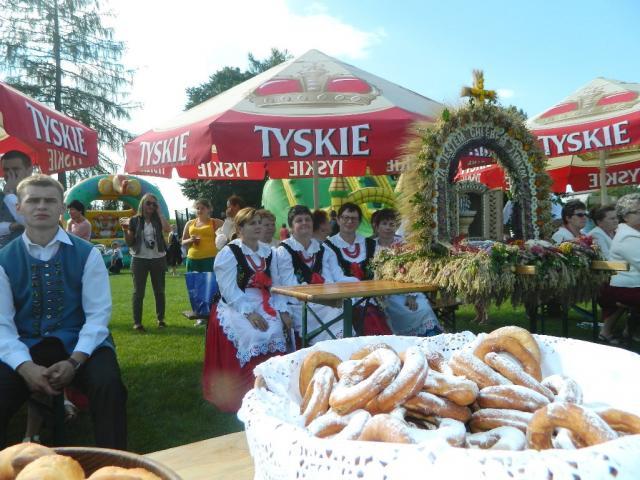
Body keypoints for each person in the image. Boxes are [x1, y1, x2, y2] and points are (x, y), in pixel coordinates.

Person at [0, 174, 127, 449]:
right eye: (33, 200)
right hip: (26, 344)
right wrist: (25, 366)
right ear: (19, 207)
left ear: (61, 208)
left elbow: (97, 317)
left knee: (108, 385)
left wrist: (74, 362)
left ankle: (115, 460)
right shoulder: (3, 260)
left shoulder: (88, 253)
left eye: (49, 201)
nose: (41, 206)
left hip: (81, 344)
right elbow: (2, 326)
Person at [202, 207, 290, 412]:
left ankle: (272, 387)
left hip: (264, 300)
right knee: (253, 334)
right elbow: (228, 289)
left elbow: (276, 285)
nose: (258, 227)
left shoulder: (269, 252)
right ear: (240, 228)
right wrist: (249, 313)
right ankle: (247, 390)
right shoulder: (229, 253)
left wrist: (283, 310)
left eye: (259, 222)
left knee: (276, 331)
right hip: (235, 302)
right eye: (252, 223)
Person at [276, 205, 358, 344]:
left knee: (339, 310)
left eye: (307, 219)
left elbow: (330, 279)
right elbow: (289, 285)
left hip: (322, 301)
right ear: (291, 227)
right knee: (335, 313)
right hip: (299, 305)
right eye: (299, 220)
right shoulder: (284, 250)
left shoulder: (323, 249)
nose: (304, 223)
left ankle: (340, 349)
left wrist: (356, 284)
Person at [372, 208, 442, 336]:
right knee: (402, 311)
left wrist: (411, 294)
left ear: (396, 227)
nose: (388, 228)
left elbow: (413, 270)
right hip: (386, 292)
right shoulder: (371, 246)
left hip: (407, 287)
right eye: (384, 224)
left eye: (391, 224)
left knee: (423, 308)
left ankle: (429, 337)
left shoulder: (404, 245)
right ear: (377, 226)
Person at [325, 203, 392, 336]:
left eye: (354, 218)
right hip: (343, 297)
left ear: (359, 222)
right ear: (338, 220)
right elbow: (333, 277)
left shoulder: (370, 244)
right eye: (345, 218)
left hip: (372, 296)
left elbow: (380, 271)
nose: (349, 221)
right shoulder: (328, 246)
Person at [120, 193, 171, 332]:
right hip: (139, 259)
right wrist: (125, 230)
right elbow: (129, 242)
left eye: (154, 204)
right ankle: (137, 323)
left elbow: (168, 230)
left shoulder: (158, 219)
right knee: (138, 292)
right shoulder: (134, 220)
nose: (151, 206)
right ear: (142, 204)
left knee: (159, 291)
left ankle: (161, 320)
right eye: (148, 203)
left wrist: (160, 212)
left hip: (158, 258)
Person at [598, 193, 640, 344]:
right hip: (626, 287)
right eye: (638, 212)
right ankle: (631, 331)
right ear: (626, 217)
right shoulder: (627, 237)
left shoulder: (632, 233)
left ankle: (631, 331)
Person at [0, 150, 32, 249]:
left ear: (29, 170)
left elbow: (30, 222)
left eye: (15, 169)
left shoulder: (41, 193)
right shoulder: (1, 196)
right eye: (6, 169)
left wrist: (9, 194)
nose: (10, 173)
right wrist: (12, 226)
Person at [182, 199, 223, 273]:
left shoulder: (215, 222)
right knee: (194, 280)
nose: (199, 210)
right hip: (192, 259)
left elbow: (230, 228)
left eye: (202, 208)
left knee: (209, 280)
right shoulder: (190, 223)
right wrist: (191, 240)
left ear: (209, 209)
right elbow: (183, 242)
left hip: (210, 259)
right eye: (197, 208)